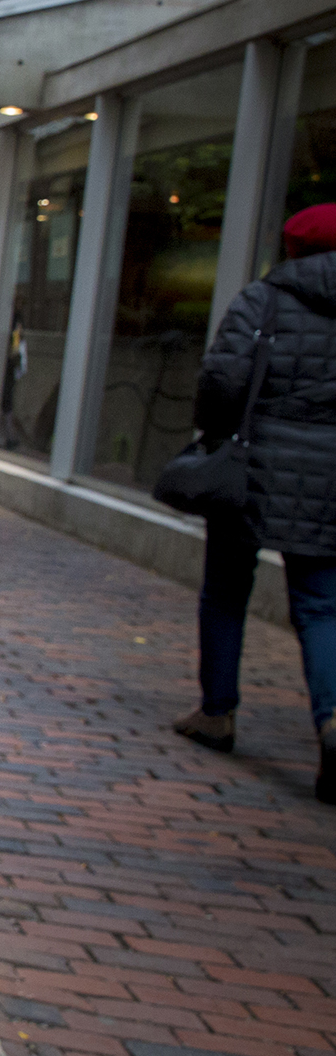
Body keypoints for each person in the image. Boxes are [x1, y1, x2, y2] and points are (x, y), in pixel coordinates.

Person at [171, 201, 336, 807]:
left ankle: (217, 712)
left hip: (254, 467)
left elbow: (222, 378)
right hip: (331, 481)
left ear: (292, 249)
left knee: (225, 590)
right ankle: (333, 717)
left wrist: (214, 437)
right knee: (321, 605)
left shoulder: (263, 300)